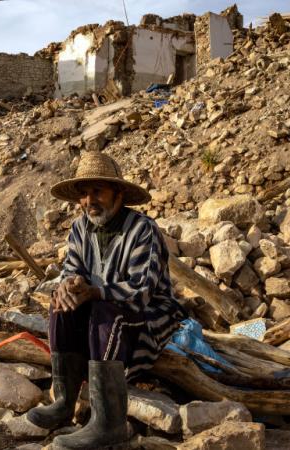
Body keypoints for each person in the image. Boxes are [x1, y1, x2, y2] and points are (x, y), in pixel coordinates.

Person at [26, 151, 187, 450]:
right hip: (103, 322)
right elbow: (72, 270)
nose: (90, 200)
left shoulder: (143, 230)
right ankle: (64, 400)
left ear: (119, 193)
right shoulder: (79, 228)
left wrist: (96, 291)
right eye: (84, 194)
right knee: (60, 306)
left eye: (97, 191)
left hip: (148, 318)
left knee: (103, 310)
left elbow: (141, 292)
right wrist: (66, 288)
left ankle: (109, 422)